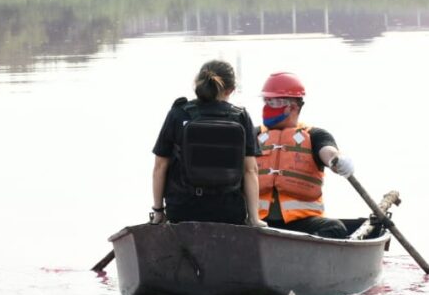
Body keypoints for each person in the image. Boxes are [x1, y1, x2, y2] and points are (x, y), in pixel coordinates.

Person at [150, 60, 265, 227]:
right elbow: (250, 170)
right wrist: (254, 218)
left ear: (197, 83)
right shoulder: (240, 116)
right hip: (228, 210)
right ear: (231, 90)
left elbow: (160, 166)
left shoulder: (178, 113)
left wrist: (159, 211)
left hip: (182, 209)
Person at [255, 72, 354, 239]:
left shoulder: (315, 135)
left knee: (335, 228)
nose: (268, 106)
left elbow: (327, 151)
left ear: (293, 106)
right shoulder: (253, 135)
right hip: (258, 220)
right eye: (266, 101)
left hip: (302, 222)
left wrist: (337, 161)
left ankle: (303, 254)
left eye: (275, 102)